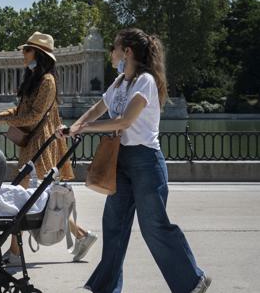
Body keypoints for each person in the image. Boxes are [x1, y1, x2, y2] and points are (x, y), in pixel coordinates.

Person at [59, 28, 211, 293]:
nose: (110, 53)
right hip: (122, 160)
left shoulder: (146, 82)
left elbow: (125, 121)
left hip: (145, 162)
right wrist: (76, 125)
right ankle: (104, 288)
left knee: (154, 225)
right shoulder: (119, 82)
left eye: (114, 48)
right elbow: (99, 108)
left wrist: (84, 129)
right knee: (113, 225)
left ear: (126, 52)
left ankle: (192, 281)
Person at [0, 31, 97, 266]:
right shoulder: (34, 78)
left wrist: (1, 120)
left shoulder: (47, 81)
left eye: (27, 50)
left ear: (39, 54)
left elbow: (33, 116)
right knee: (33, 199)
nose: (23, 53)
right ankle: (81, 235)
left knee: (26, 199)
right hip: (32, 144)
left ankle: (15, 253)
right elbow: (19, 111)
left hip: (41, 144)